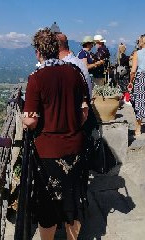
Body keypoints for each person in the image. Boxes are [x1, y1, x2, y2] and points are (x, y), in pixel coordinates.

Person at [22, 27, 89, 240]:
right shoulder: (75, 73)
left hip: (48, 152)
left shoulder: (36, 78)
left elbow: (31, 120)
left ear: (38, 52)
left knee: (48, 204)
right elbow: (85, 111)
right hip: (75, 147)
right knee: (73, 200)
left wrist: (24, 120)